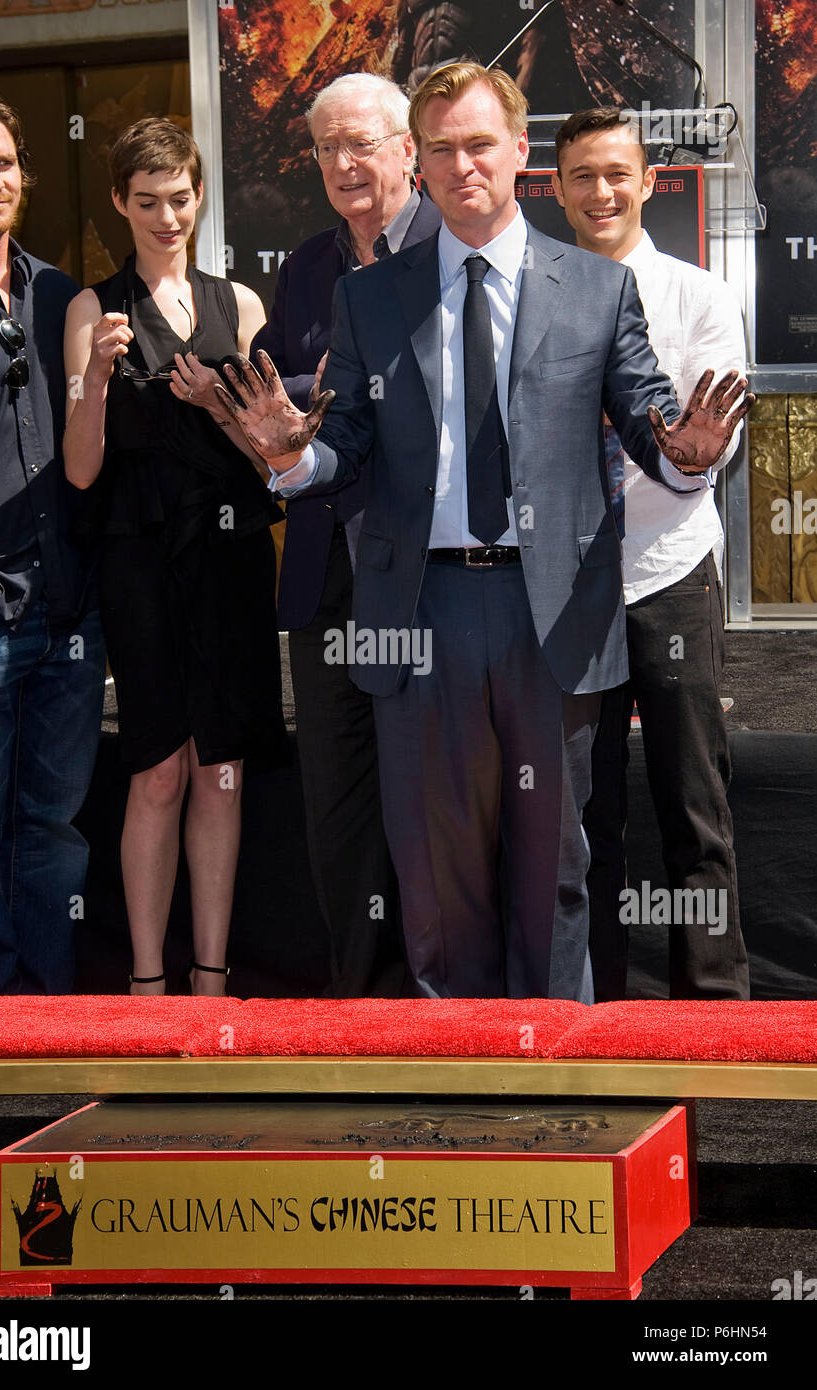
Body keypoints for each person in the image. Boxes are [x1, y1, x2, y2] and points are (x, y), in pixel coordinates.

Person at [212, 63, 752, 1000]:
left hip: (553, 615)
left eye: (480, 145)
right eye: (443, 149)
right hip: (421, 613)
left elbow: (650, 422)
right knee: (436, 880)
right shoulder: (372, 296)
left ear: (520, 154)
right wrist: (290, 461)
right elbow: (344, 444)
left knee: (558, 875)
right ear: (417, 162)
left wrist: (691, 455)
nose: (463, 166)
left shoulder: (594, 289)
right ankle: (453, 1101)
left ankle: (551, 1096)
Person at [63, 118, 286, 996]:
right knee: (157, 767)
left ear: (200, 197)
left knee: (222, 769)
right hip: (142, 562)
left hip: (231, 558)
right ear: (120, 202)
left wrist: (222, 409)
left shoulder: (244, 305)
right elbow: (81, 467)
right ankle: (147, 987)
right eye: (147, 201)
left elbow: (273, 454)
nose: (167, 217)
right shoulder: (93, 309)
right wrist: (97, 382)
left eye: (180, 199)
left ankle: (211, 981)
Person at [552, 107, 750, 1001]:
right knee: (582, 819)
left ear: (647, 182)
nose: (602, 192)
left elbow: (717, 440)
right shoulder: (533, 298)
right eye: (583, 175)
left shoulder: (699, 297)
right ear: (555, 188)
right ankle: (593, 1017)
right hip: (566, 588)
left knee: (693, 807)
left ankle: (714, 1019)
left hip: (669, 573)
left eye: (617, 174)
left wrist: (695, 453)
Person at [251, 73, 441, 997]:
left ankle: (439, 1006)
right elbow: (290, 400)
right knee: (339, 805)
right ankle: (358, 1003)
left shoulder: (460, 251)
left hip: (435, 578)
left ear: (409, 148)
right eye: (327, 148)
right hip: (326, 576)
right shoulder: (306, 269)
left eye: (361, 142)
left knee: (436, 799)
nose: (344, 163)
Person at [0, 91, 105, 996]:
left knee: (53, 828)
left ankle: (50, 1019)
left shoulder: (57, 296)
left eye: (4, 162)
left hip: (65, 610)